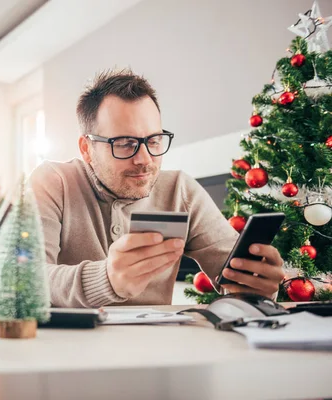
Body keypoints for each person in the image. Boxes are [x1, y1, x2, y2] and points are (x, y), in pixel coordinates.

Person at [29, 68, 285, 308]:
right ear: (87, 149)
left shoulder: (180, 190)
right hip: (70, 349)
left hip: (157, 347)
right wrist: (105, 279)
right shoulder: (53, 182)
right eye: (125, 143)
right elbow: (25, 278)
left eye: (153, 140)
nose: (145, 159)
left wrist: (256, 285)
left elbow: (236, 278)